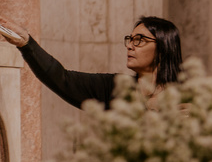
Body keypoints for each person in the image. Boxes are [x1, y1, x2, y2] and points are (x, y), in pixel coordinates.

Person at [0, 15, 183, 109]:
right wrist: (26, 44)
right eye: (130, 39)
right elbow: (62, 79)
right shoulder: (114, 87)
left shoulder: (187, 96)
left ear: (164, 48)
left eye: (140, 40)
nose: (130, 46)